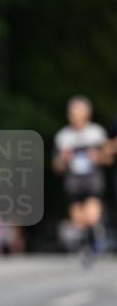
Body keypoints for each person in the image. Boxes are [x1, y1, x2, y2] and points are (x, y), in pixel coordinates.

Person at [52, 96, 108, 259]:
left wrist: (97, 157)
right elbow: (56, 167)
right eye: (72, 112)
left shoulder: (96, 133)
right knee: (78, 221)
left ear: (87, 113)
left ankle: (95, 242)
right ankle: (88, 242)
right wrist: (63, 159)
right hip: (73, 184)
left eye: (78, 112)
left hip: (92, 182)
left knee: (92, 216)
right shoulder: (63, 136)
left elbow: (108, 158)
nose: (75, 116)